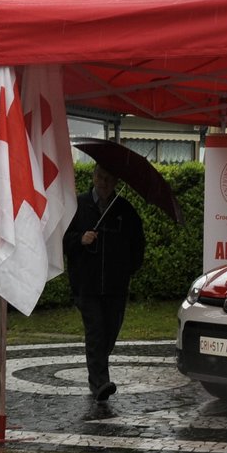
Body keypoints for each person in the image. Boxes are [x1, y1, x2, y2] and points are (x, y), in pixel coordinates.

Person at [62, 166, 145, 400]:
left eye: (109, 178)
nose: (104, 182)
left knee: (110, 331)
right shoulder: (77, 206)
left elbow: (138, 243)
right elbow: (63, 241)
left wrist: (128, 270)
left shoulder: (125, 210)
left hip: (116, 287)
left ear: (116, 181)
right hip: (86, 286)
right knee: (96, 330)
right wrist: (81, 239)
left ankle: (98, 368)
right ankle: (100, 383)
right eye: (100, 176)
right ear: (94, 177)